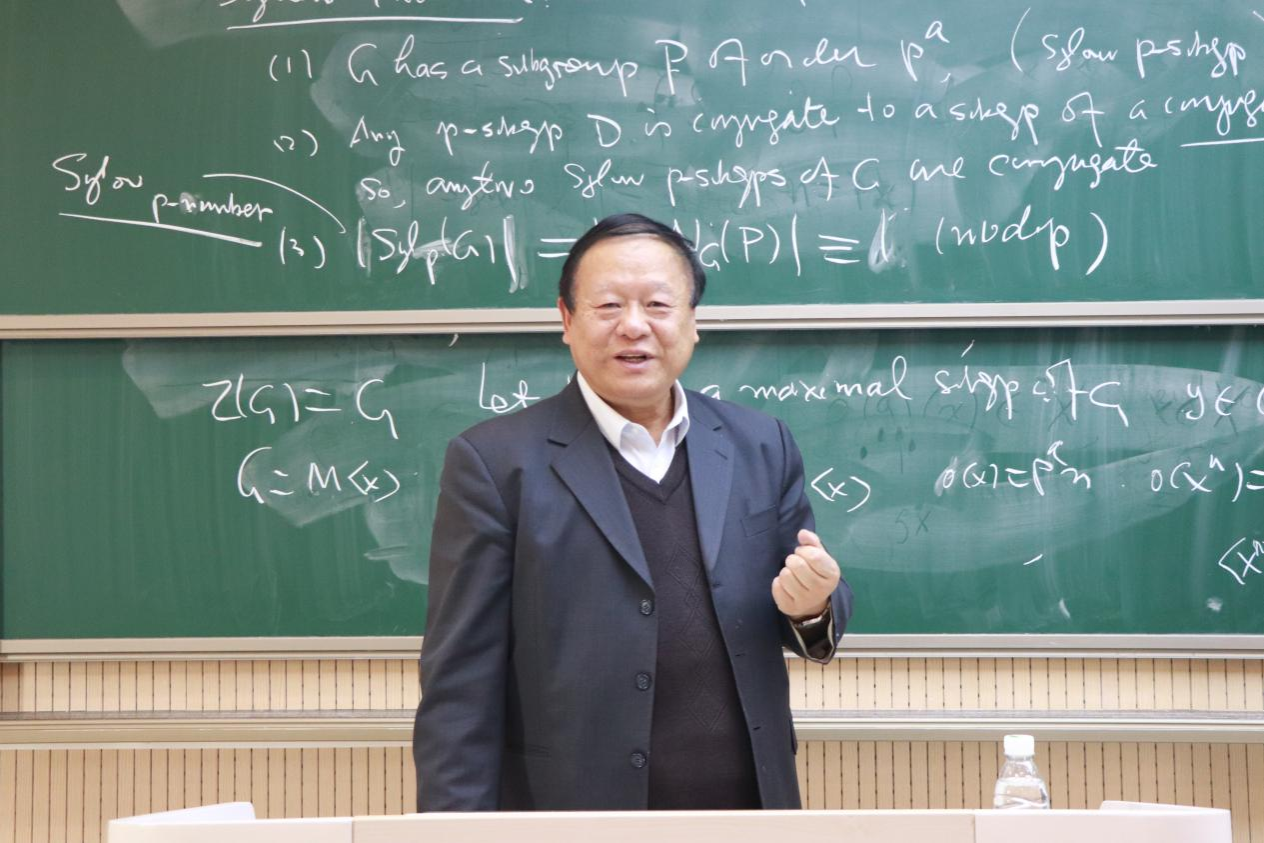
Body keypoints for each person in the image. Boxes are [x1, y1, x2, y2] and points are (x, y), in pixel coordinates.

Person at [412, 213, 853, 811]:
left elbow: (806, 612)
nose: (635, 326)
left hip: (748, 809)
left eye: (658, 305)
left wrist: (811, 606)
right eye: (609, 306)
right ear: (566, 320)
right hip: (573, 815)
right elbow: (460, 684)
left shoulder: (760, 444)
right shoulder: (494, 464)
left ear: (693, 321)